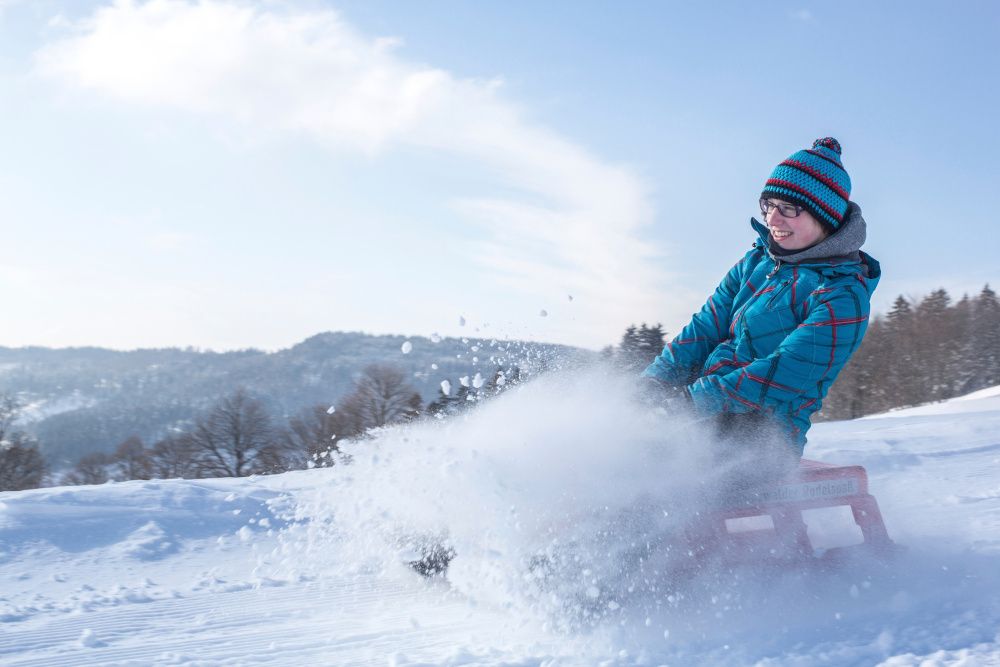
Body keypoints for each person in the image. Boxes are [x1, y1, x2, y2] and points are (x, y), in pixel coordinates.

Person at [641, 137, 880, 483]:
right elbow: (703, 329)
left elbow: (781, 374)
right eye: (768, 204)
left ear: (824, 215)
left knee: (651, 475)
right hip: (704, 411)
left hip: (763, 437)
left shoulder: (843, 295)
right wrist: (652, 384)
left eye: (789, 208)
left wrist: (690, 404)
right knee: (615, 447)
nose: (772, 218)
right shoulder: (757, 261)